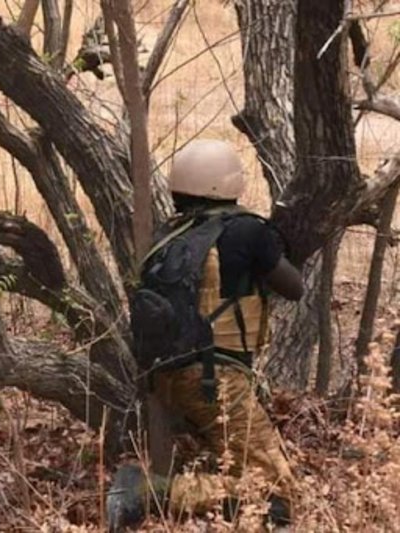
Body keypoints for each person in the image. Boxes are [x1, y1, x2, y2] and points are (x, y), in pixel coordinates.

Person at [107, 139, 304, 530]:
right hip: (215, 378)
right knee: (279, 494)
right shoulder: (246, 230)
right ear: (229, 183)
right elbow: (294, 287)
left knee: (240, 463)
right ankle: (148, 493)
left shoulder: (168, 236)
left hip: (165, 376)